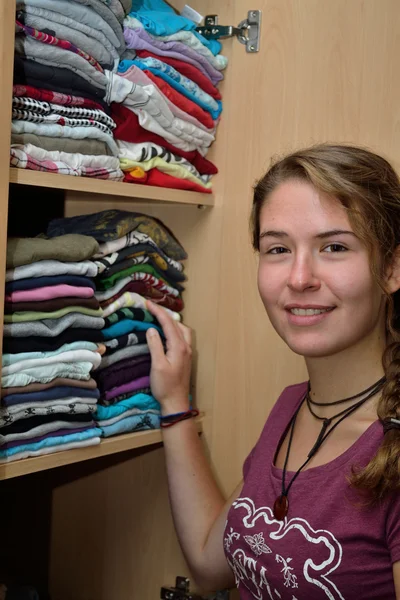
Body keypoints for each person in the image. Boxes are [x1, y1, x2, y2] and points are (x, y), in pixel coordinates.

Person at [145, 143, 400, 600]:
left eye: (335, 246)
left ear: (392, 268)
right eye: (278, 248)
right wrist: (173, 402)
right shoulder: (292, 408)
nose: (299, 277)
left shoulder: (391, 446)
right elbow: (209, 563)